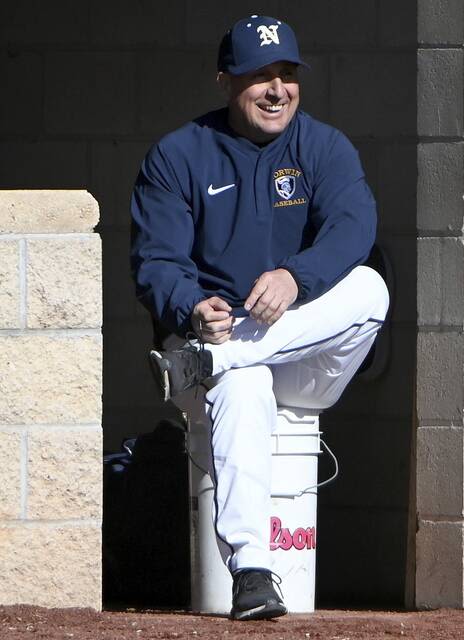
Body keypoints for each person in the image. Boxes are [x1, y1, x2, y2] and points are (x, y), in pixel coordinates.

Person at [130, 15, 389, 621]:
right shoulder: (178, 154)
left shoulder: (323, 145)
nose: (277, 89)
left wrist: (297, 277)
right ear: (225, 81)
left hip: (294, 350)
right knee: (244, 382)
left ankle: (231, 354)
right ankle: (251, 569)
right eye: (258, 77)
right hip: (210, 345)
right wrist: (192, 306)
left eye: (287, 74)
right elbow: (155, 260)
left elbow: (355, 227)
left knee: (371, 288)